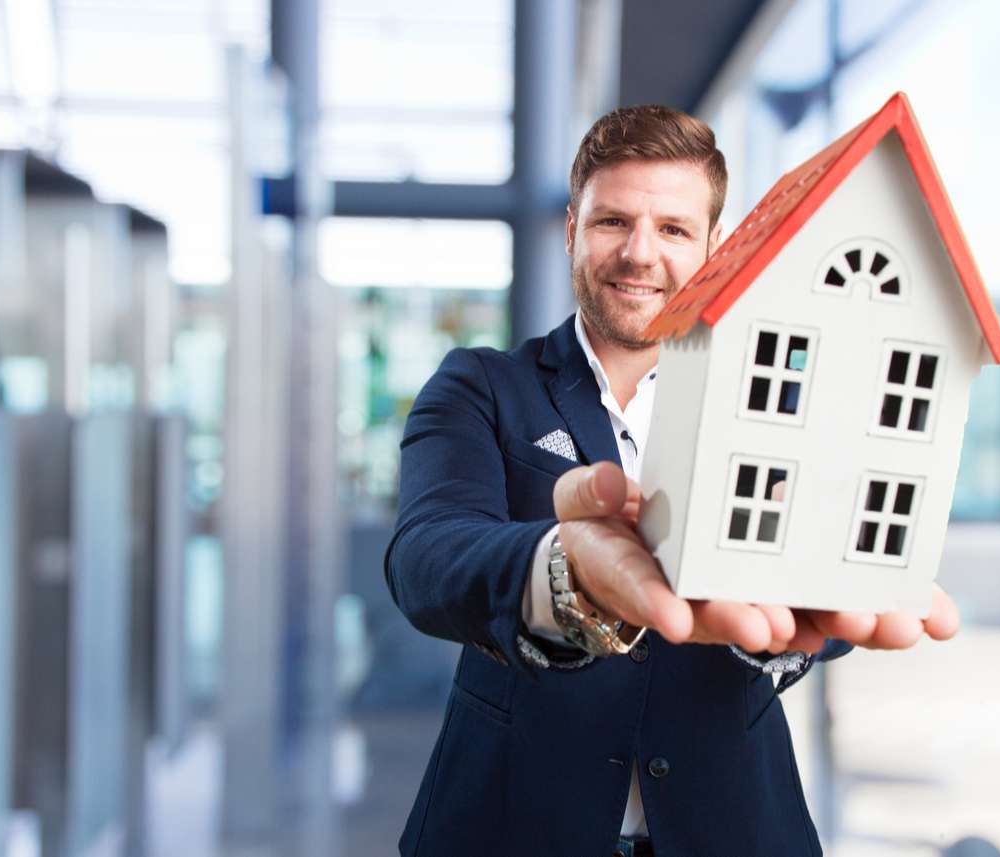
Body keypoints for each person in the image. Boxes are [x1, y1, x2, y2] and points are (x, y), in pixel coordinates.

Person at [385, 105, 959, 857]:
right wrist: (564, 575)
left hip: (732, 826)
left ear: (716, 248)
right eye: (612, 222)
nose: (640, 253)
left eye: (675, 230)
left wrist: (789, 624)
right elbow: (428, 555)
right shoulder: (482, 387)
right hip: (510, 824)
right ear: (570, 231)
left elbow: (831, 569)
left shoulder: (780, 406)